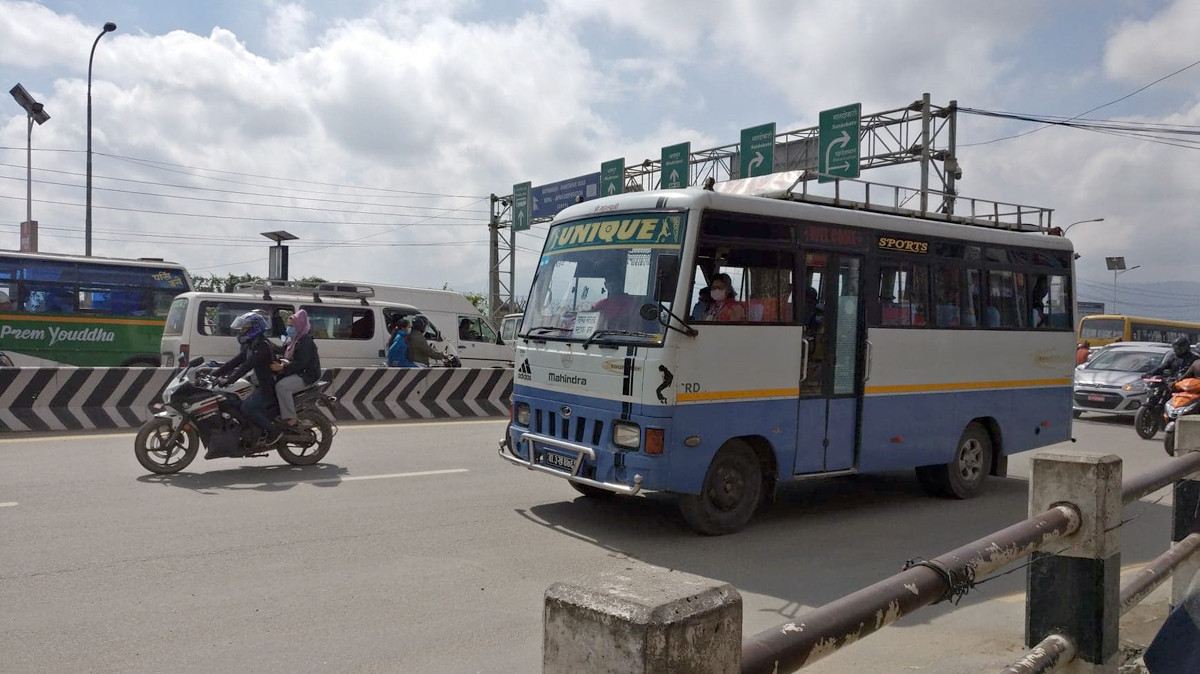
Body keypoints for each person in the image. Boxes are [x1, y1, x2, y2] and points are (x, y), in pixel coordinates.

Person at [212, 311, 281, 450]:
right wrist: (215, 373)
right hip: (256, 384)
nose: (241, 332)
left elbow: (246, 366)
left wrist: (229, 380)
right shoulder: (252, 345)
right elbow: (235, 362)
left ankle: (274, 432)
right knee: (232, 401)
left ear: (255, 328)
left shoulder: (262, 346)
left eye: (244, 328)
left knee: (247, 408)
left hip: (266, 388)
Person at [270, 310, 320, 428]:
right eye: (288, 325)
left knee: (282, 387)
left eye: (292, 326)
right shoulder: (292, 340)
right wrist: (265, 343)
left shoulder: (306, 341)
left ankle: (291, 417)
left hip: (306, 375)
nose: (289, 329)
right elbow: (281, 350)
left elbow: (301, 363)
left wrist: (283, 367)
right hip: (296, 371)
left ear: (299, 326)